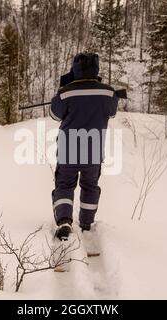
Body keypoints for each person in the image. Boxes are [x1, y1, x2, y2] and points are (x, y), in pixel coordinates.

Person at [50, 52, 118, 241]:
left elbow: (55, 115)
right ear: (96, 69)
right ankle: (86, 223)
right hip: (93, 151)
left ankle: (64, 220)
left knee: (64, 185)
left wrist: (64, 89)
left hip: (68, 150)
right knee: (90, 186)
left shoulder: (66, 93)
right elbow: (111, 113)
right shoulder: (108, 92)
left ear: (75, 69)